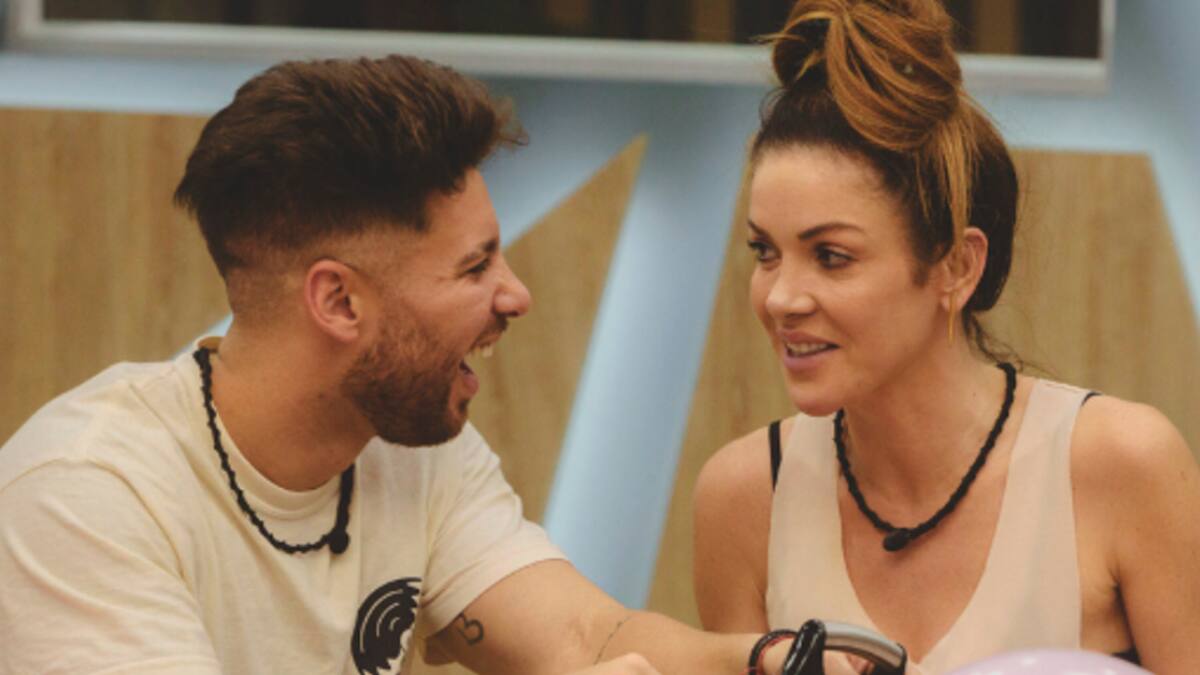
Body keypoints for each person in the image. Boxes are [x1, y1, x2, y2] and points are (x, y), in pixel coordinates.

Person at [0, 55, 841, 675]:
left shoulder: (408, 450)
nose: (515, 295)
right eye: (475, 268)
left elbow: (586, 638)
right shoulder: (85, 494)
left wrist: (770, 658)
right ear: (338, 301)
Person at [691, 1, 1200, 673]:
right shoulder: (742, 496)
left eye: (831, 256)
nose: (782, 297)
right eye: (765, 252)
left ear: (957, 265)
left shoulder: (1124, 464)